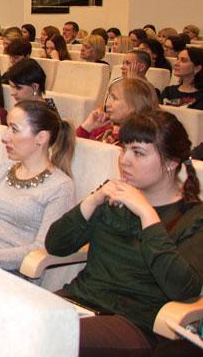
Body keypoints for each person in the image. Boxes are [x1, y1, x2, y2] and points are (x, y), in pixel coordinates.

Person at [45, 110, 202, 357]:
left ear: (171, 163)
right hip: (80, 301)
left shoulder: (193, 217)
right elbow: (56, 244)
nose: (125, 160)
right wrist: (93, 200)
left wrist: (147, 214)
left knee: (45, 334)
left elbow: (183, 288)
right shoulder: (112, 197)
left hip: (136, 321)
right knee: (12, 319)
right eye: (123, 149)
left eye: (138, 153)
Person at [0, 101, 75, 272]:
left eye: (14, 129)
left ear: (41, 137)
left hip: (10, 271)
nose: (4, 137)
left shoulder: (60, 186)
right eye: (8, 127)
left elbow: (41, 248)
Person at [78, 77, 160, 144]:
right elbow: (73, 152)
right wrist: (87, 127)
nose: (107, 104)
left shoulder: (141, 140)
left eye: (114, 98)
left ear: (135, 105)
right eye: (109, 97)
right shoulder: (103, 128)